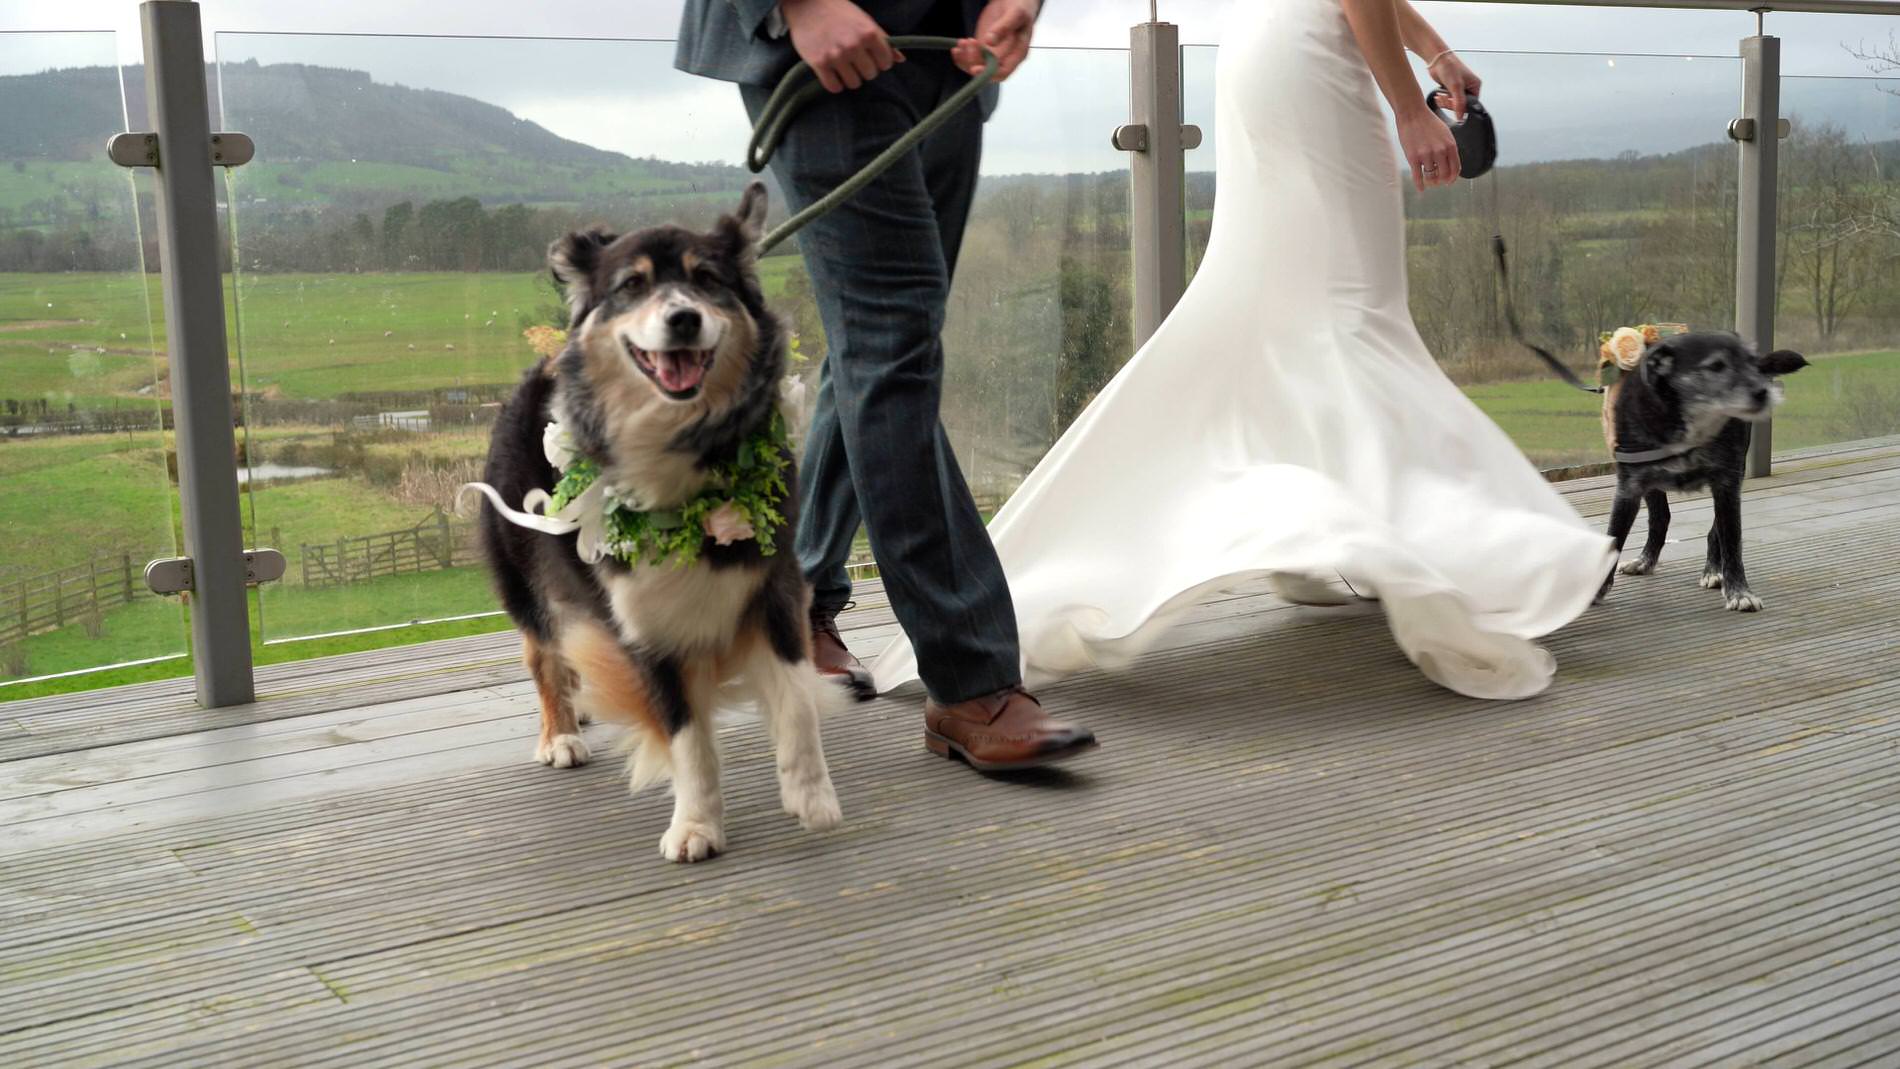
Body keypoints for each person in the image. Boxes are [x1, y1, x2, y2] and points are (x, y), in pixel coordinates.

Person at [873, 0, 1618, 701]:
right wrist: (1405, 108)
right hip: (1315, 54)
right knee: (1356, 311)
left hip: (1269, 48)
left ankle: (1318, 540)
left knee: (1284, 312)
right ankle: (1470, 548)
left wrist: (1434, 51)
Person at [676, 0, 1099, 771]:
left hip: (953, 50)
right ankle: (971, 680)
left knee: (877, 343)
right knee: (892, 344)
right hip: (822, 55)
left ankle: (799, 602)